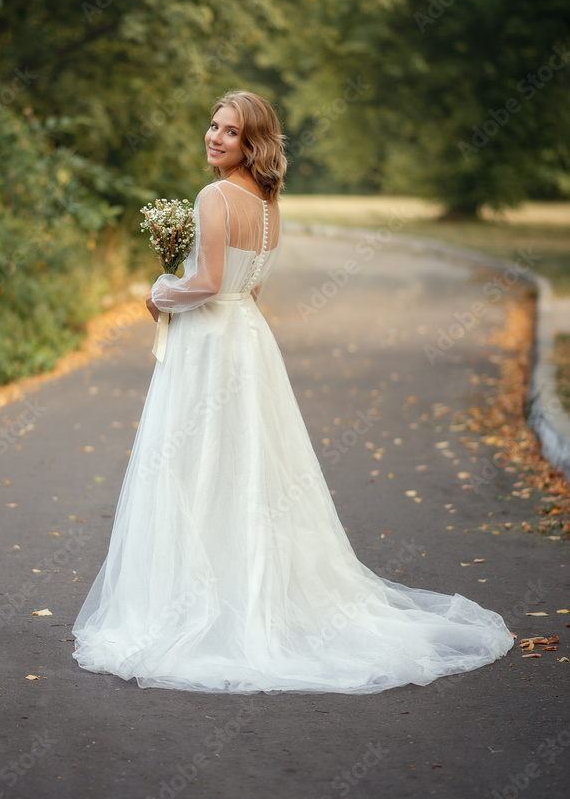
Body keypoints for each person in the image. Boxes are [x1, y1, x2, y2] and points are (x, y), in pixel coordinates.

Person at [71, 89, 514, 694]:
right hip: (249, 341)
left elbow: (203, 283)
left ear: (251, 143)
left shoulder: (215, 196)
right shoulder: (270, 202)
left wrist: (159, 294)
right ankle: (248, 592)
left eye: (229, 132)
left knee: (198, 465)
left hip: (209, 344)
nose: (214, 137)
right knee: (250, 470)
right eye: (212, 126)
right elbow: (247, 290)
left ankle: (192, 605)